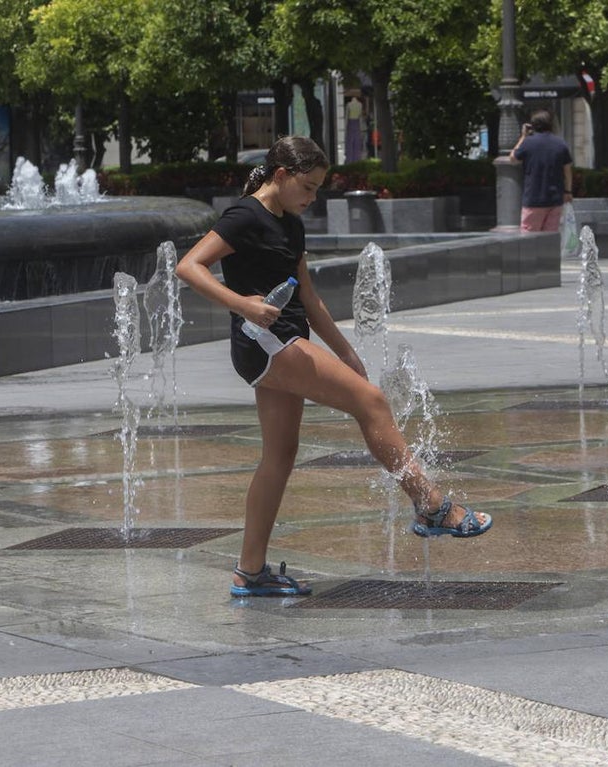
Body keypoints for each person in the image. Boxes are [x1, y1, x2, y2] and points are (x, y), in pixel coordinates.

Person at [175, 135, 491, 598]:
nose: (313, 196)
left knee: (279, 457)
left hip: (282, 341)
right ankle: (431, 505)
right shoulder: (245, 216)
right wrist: (243, 304)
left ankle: (249, 571)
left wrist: (344, 352)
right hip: (266, 342)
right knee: (372, 403)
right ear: (281, 176)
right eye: (307, 186)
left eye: (319, 188)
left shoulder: (290, 221)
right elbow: (189, 266)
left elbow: (308, 296)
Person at [509, 110, 574, 232]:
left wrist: (523, 136)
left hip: (533, 198)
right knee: (550, 238)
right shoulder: (561, 144)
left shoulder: (528, 143)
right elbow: (567, 171)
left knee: (529, 238)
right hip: (555, 199)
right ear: (550, 125)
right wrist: (568, 191)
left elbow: (513, 158)